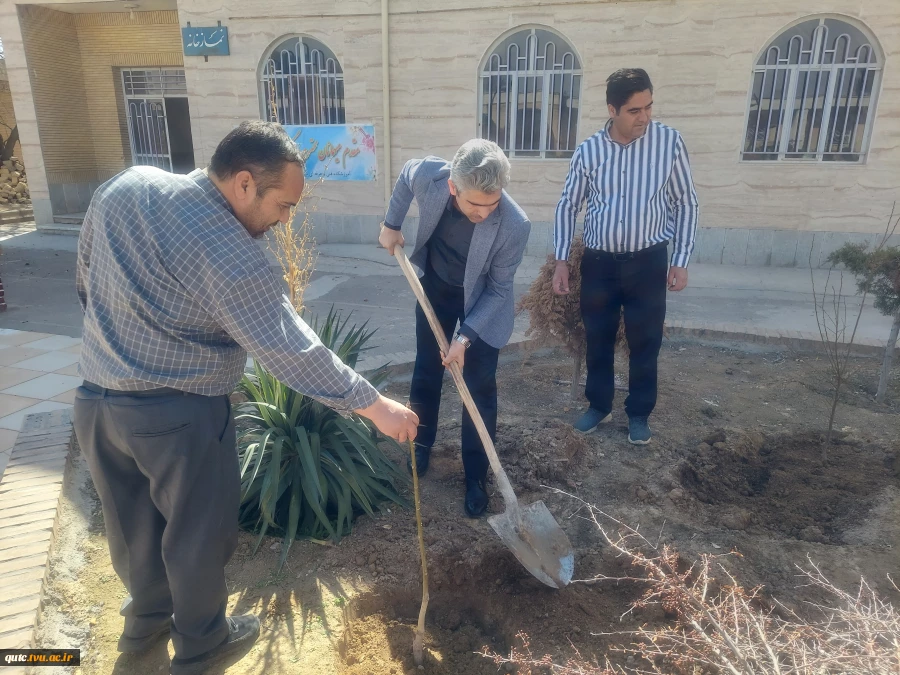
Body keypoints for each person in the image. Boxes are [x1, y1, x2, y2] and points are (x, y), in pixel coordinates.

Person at [73, 121, 418, 675]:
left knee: (131, 526)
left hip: (95, 402)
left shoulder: (125, 186)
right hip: (176, 416)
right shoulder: (231, 254)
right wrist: (375, 405)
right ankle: (202, 646)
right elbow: (290, 350)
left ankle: (145, 625)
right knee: (198, 536)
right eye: (283, 206)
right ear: (242, 183)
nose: (285, 222)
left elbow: (86, 280)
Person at [378, 139, 530, 517]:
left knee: (479, 389)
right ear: (452, 187)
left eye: (491, 204)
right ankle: (421, 445)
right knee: (427, 372)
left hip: (482, 301)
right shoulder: (431, 175)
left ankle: (476, 476)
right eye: (473, 204)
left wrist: (464, 339)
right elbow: (405, 175)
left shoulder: (514, 224)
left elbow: (497, 289)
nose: (483, 213)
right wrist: (390, 224)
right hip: (438, 286)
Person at [552, 68, 699, 445]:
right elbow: (568, 205)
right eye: (635, 110)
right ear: (612, 109)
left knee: (645, 342)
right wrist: (562, 260)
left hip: (648, 263)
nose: (644, 117)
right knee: (597, 338)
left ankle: (638, 414)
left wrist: (680, 259)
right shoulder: (589, 150)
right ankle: (598, 406)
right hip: (599, 264)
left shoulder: (669, 143)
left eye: (649, 107)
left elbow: (686, 202)